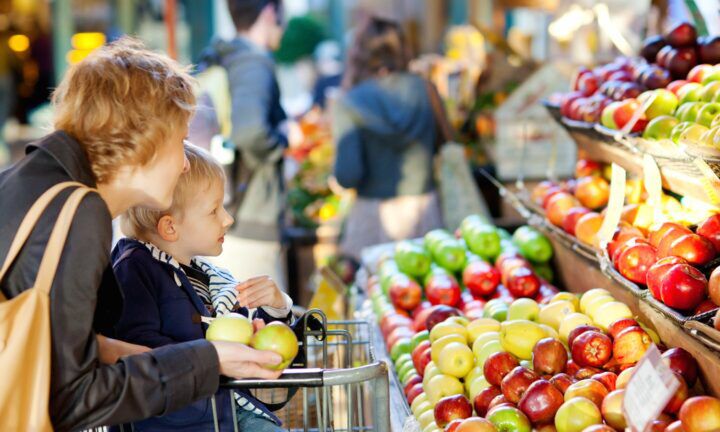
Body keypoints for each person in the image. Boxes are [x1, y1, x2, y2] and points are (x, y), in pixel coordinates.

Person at [0, 38, 284, 432]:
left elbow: (64, 345)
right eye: (180, 141)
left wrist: (205, 358)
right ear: (142, 139)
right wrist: (206, 361)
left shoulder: (34, 180)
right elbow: (74, 396)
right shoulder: (77, 211)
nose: (185, 164)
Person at [113, 144, 291, 431]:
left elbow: (254, 341)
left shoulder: (207, 275)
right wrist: (210, 355)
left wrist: (276, 307)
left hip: (226, 414)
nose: (228, 218)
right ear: (170, 228)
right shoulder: (134, 270)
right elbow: (138, 351)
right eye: (214, 210)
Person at [332, 16, 443, 260]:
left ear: (359, 53)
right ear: (402, 49)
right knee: (431, 289)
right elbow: (443, 144)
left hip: (373, 218)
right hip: (424, 213)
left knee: (375, 292)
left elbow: (348, 175)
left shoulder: (350, 102)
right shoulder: (426, 89)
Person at [199, 0, 288, 289]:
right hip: (251, 219)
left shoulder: (224, 57)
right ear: (270, 12)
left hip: (230, 212)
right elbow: (250, 132)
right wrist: (285, 139)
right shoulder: (253, 63)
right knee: (264, 324)